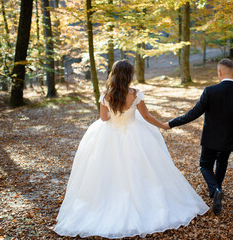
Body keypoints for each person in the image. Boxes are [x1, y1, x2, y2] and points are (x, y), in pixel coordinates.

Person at [54, 59, 209, 239]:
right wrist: (164, 126)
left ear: (114, 74)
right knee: (144, 170)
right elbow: (147, 116)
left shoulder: (105, 95)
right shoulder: (136, 94)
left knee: (106, 171)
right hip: (135, 134)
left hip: (109, 135)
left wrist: (115, 116)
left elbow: (104, 119)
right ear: (129, 75)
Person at [165, 58, 233, 215]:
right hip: (231, 138)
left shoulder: (210, 91)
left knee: (205, 165)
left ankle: (216, 189)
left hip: (211, 138)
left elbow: (193, 114)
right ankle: (216, 191)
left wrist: (171, 123)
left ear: (219, 72)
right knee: (222, 161)